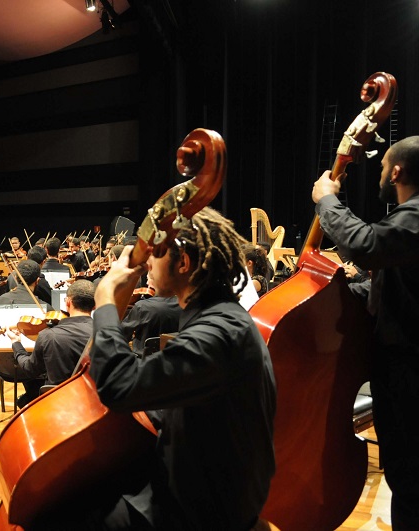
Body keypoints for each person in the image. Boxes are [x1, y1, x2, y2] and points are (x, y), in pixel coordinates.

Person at [46, 207, 275, 530]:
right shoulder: (219, 317)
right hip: (203, 483)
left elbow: (117, 385)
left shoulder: (217, 334)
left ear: (183, 263)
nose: (146, 262)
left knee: (59, 516)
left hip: (203, 511)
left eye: (155, 253)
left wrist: (107, 301)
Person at [312, 135, 419, 529]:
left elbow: (366, 244)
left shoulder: (416, 216)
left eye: (381, 166)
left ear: (396, 171)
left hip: (409, 376)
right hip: (401, 373)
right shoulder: (407, 221)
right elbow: (390, 283)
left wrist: (327, 199)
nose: (379, 173)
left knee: (410, 485)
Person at [6, 279, 95, 407]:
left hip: (58, 402)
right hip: (95, 400)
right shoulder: (108, 333)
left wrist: (16, 344)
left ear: (68, 302)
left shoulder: (48, 336)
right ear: (95, 306)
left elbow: (30, 369)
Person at [121, 268, 181, 357]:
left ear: (154, 282)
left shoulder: (142, 307)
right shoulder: (182, 305)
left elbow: (122, 335)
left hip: (144, 362)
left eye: (148, 279)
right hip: (172, 361)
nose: (147, 282)